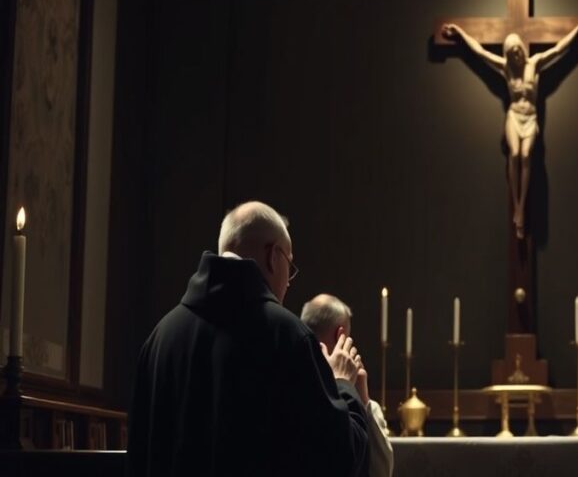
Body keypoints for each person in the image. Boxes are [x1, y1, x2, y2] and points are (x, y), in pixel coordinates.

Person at [128, 201, 369, 476]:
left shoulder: (159, 339)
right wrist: (343, 385)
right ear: (273, 255)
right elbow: (339, 460)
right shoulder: (288, 336)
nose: (289, 281)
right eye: (289, 266)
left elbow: (138, 458)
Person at [442, 20, 578, 239]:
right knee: (513, 154)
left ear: (522, 49)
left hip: (530, 118)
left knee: (525, 156)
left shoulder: (535, 63)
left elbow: (560, 48)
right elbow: (480, 52)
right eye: (511, 53)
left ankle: (522, 205)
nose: (516, 56)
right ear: (508, 54)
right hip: (514, 116)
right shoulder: (506, 68)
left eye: (517, 51)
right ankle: (517, 206)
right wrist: (459, 33)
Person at [301, 294, 394, 477]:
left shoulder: (287, 383)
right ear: (340, 335)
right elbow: (381, 472)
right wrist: (363, 402)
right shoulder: (351, 395)